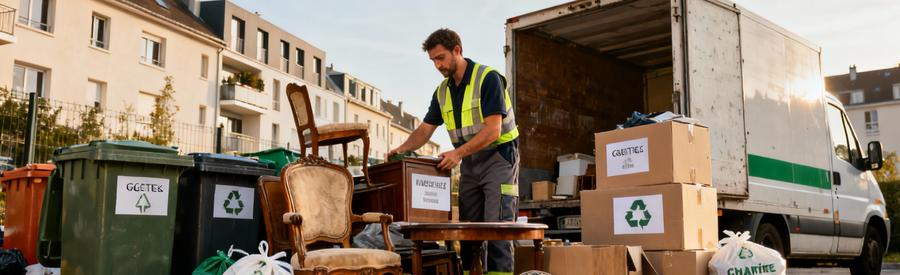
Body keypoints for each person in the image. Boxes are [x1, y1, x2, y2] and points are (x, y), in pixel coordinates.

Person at [387, 28, 520, 275]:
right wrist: (402, 148)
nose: (437, 65)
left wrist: (457, 154)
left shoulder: (488, 78)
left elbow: (493, 131)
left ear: (457, 50)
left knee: (498, 232)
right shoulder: (442, 91)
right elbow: (425, 130)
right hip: (470, 161)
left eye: (440, 58)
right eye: (433, 60)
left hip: (499, 158)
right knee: (467, 234)